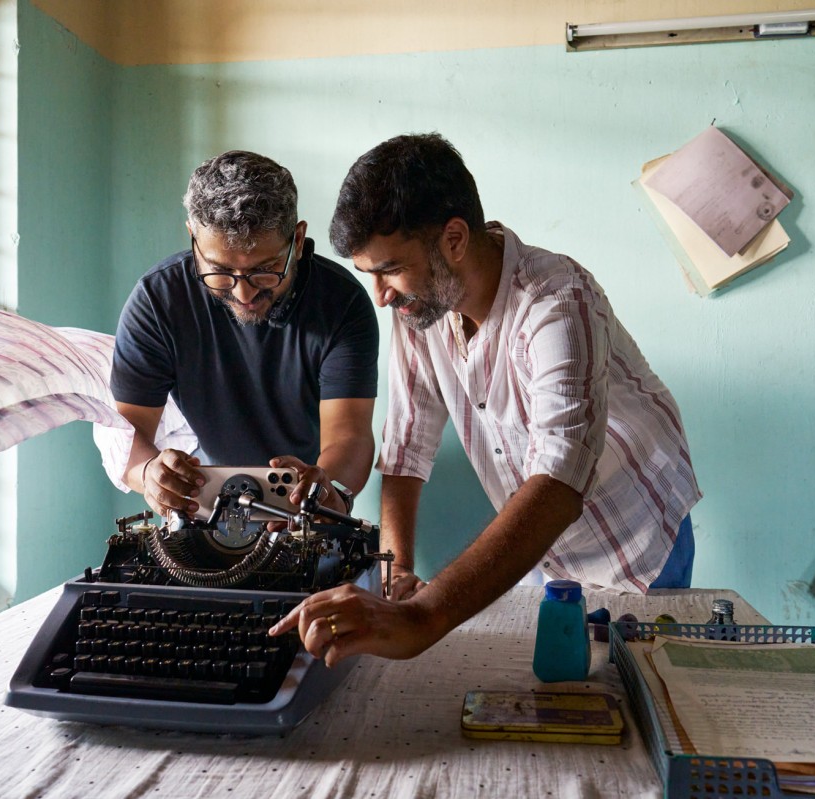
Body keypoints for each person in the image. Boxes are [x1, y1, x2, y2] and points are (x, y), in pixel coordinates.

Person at [270, 133, 700, 665]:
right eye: (369, 275)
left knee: (637, 688)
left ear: (454, 239)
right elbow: (406, 449)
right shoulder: (420, 305)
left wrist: (423, 616)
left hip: (636, 540)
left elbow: (559, 483)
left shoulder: (557, 300)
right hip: (544, 549)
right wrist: (397, 570)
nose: (380, 296)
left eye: (389, 269)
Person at [111, 151, 379, 522]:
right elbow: (126, 431)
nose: (243, 294)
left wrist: (329, 488)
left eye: (265, 271)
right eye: (219, 272)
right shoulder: (157, 301)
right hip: (200, 512)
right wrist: (147, 473)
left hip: (306, 513)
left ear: (298, 241)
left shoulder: (342, 303)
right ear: (192, 238)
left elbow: (349, 435)